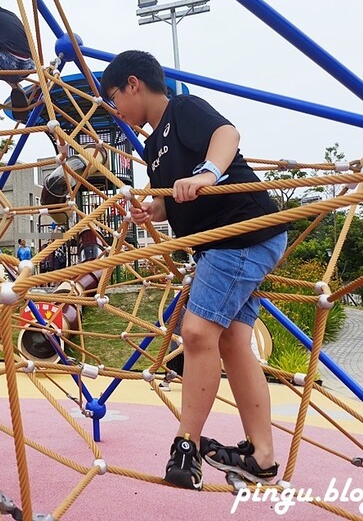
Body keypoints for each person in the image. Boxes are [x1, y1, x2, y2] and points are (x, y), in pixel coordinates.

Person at [101, 50, 287, 490]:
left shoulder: (183, 108)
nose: (114, 109)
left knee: (199, 333)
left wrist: (207, 173)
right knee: (235, 342)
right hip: (231, 242)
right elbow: (173, 197)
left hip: (240, 233)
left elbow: (227, 133)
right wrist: (154, 208)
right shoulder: (152, 145)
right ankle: (261, 456)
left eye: (114, 98)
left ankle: (187, 443)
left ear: (133, 84)